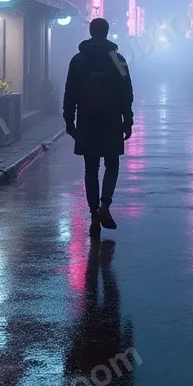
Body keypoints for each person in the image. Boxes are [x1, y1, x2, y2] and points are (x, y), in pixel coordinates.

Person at [63, 18, 134, 236]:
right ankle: (105, 205)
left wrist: (69, 119)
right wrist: (127, 120)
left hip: (87, 120)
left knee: (90, 168)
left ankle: (94, 214)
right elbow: (126, 92)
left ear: (91, 32)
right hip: (111, 119)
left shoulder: (78, 60)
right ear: (107, 32)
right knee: (112, 164)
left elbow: (70, 92)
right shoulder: (118, 59)